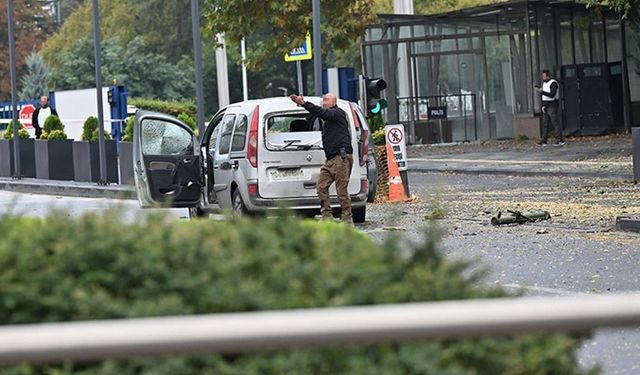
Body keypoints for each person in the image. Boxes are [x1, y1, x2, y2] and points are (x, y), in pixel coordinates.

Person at [289, 93, 354, 224]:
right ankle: (327, 216)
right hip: (331, 159)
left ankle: (347, 218)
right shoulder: (328, 116)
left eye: (326, 100)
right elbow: (319, 112)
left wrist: (304, 103)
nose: (323, 102)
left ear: (333, 102)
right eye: (323, 100)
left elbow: (322, 113)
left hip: (341, 157)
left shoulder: (337, 113)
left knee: (341, 190)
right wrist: (303, 105)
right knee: (321, 186)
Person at [535, 69, 564, 146]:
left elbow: (552, 95)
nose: (543, 78)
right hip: (546, 105)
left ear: (548, 76)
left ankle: (560, 139)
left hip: (552, 104)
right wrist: (543, 105)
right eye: (542, 76)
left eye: (544, 76)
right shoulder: (544, 84)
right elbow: (545, 97)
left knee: (554, 122)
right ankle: (544, 140)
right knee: (545, 123)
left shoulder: (553, 83)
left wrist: (542, 92)